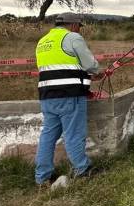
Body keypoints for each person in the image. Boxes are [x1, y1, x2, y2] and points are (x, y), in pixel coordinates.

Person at [34, 12, 101, 186]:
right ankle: (83, 170)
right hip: (70, 95)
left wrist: (84, 75)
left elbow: (58, 68)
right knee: (74, 134)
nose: (79, 30)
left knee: (48, 136)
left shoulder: (43, 42)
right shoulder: (73, 37)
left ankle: (42, 177)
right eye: (79, 27)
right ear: (73, 25)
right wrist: (96, 72)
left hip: (47, 96)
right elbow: (90, 64)